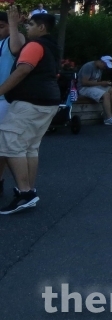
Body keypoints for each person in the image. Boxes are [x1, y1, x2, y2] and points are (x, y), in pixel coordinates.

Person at [0, 12, 62, 214]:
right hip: (47, 102)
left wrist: (1, 90)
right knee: (30, 147)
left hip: (30, 103)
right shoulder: (52, 47)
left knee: (11, 143)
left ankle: (25, 193)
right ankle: (28, 190)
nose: (28, 27)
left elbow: (23, 70)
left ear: (41, 27)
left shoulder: (35, 45)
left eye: (31, 24)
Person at [0, 7, 27, 199]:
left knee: (2, 145)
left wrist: (12, 25)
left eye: (1, 26)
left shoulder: (14, 40)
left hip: (5, 100)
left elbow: (17, 48)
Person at [77, 57, 112, 126]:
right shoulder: (89, 66)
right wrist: (101, 83)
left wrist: (105, 83)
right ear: (101, 62)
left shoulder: (100, 68)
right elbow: (84, 82)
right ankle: (109, 118)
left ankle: (107, 115)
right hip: (84, 88)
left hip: (93, 86)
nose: (105, 68)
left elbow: (96, 81)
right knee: (106, 94)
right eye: (105, 65)